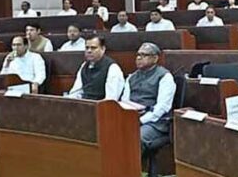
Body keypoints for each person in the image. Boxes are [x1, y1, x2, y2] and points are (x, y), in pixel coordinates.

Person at [121, 42, 175, 177]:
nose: (139, 58)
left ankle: (131, 172)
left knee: (135, 138)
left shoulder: (165, 77)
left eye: (144, 55)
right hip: (132, 118)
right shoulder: (131, 77)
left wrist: (140, 121)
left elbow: (162, 107)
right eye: (138, 55)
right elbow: (125, 101)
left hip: (156, 123)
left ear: (155, 58)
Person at [66, 35, 124, 100]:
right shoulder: (84, 66)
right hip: (86, 103)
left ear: (103, 49)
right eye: (87, 48)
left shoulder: (112, 68)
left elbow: (111, 99)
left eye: (93, 48)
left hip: (102, 105)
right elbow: (76, 92)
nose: (89, 51)